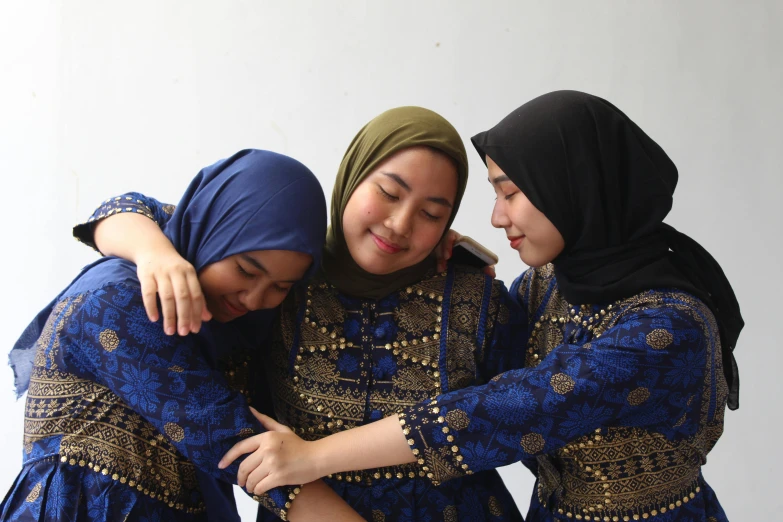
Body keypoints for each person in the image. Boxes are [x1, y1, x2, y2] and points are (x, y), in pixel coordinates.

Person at [221, 92, 744, 522]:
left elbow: (511, 408)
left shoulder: (669, 326)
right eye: (389, 192)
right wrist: (142, 241)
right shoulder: (548, 285)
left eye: (511, 192)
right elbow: (199, 228)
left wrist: (313, 456)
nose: (496, 217)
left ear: (574, 189)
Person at [72, 107, 527, 521]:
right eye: (388, 192)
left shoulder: (477, 298)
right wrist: (155, 254)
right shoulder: (284, 269)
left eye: (431, 214)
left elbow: (522, 418)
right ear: (353, 176)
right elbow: (148, 213)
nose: (400, 224)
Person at [2, 149, 365, 521]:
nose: (255, 299)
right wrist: (155, 253)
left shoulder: (240, 328)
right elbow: (237, 442)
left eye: (281, 286)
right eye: (245, 270)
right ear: (213, 233)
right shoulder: (119, 300)